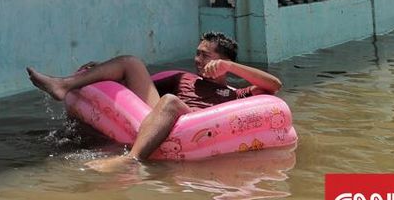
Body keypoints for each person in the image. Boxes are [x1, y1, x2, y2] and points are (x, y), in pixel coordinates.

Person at [27, 32, 282, 171]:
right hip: (163, 119)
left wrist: (231, 67)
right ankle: (63, 85)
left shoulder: (235, 94)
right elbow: (131, 88)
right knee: (131, 62)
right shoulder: (184, 79)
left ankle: (132, 158)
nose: (197, 60)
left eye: (205, 55)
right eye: (196, 53)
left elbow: (274, 86)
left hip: (194, 124)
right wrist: (101, 70)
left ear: (223, 60)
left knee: (171, 101)